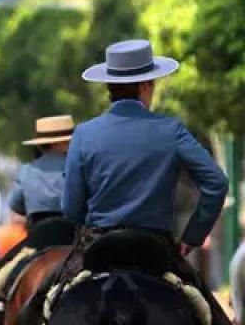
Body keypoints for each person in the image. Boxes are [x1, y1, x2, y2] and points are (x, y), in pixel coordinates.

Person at [20, 39, 230, 325]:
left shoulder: (83, 134)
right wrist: (191, 238)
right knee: (215, 317)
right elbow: (216, 183)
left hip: (97, 245)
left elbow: (70, 208)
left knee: (35, 311)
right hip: (156, 248)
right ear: (146, 86)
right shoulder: (171, 130)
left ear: (109, 88)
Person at [8, 115, 73, 228]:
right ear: (56, 143)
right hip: (72, 229)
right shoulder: (77, 167)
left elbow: (16, 205)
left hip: (37, 230)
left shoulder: (26, 170)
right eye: (69, 141)